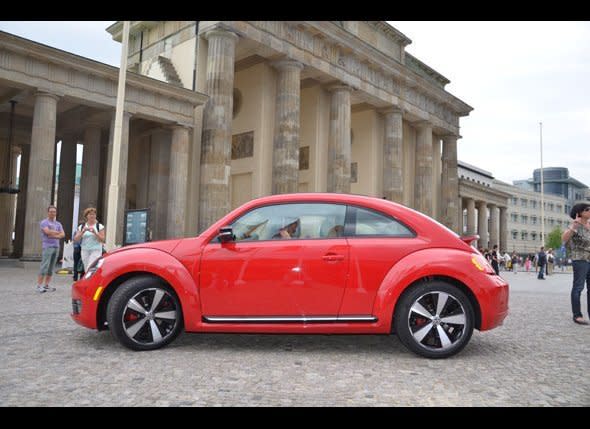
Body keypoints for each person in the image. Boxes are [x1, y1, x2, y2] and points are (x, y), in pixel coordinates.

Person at [561, 202, 590, 325]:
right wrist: (574, 226)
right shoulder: (575, 225)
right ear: (580, 213)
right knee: (578, 287)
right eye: (588, 209)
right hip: (580, 259)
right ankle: (577, 315)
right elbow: (564, 239)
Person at [37, 205, 65, 293]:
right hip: (47, 247)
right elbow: (47, 232)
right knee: (44, 266)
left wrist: (52, 234)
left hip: (56, 246)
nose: (52, 213)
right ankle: (39, 286)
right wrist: (57, 233)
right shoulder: (44, 222)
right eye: (51, 211)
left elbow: (63, 235)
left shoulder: (58, 224)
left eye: (54, 212)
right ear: (48, 212)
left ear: (56, 213)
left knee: (51, 267)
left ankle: (46, 285)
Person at [73, 207, 105, 274]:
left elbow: (102, 239)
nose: (92, 216)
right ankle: (90, 283)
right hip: (85, 250)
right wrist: (82, 232)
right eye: (90, 214)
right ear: (86, 216)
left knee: (91, 268)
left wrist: (95, 233)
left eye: (93, 214)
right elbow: (76, 239)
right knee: (86, 268)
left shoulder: (99, 226)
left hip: (96, 250)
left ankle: (90, 283)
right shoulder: (82, 226)